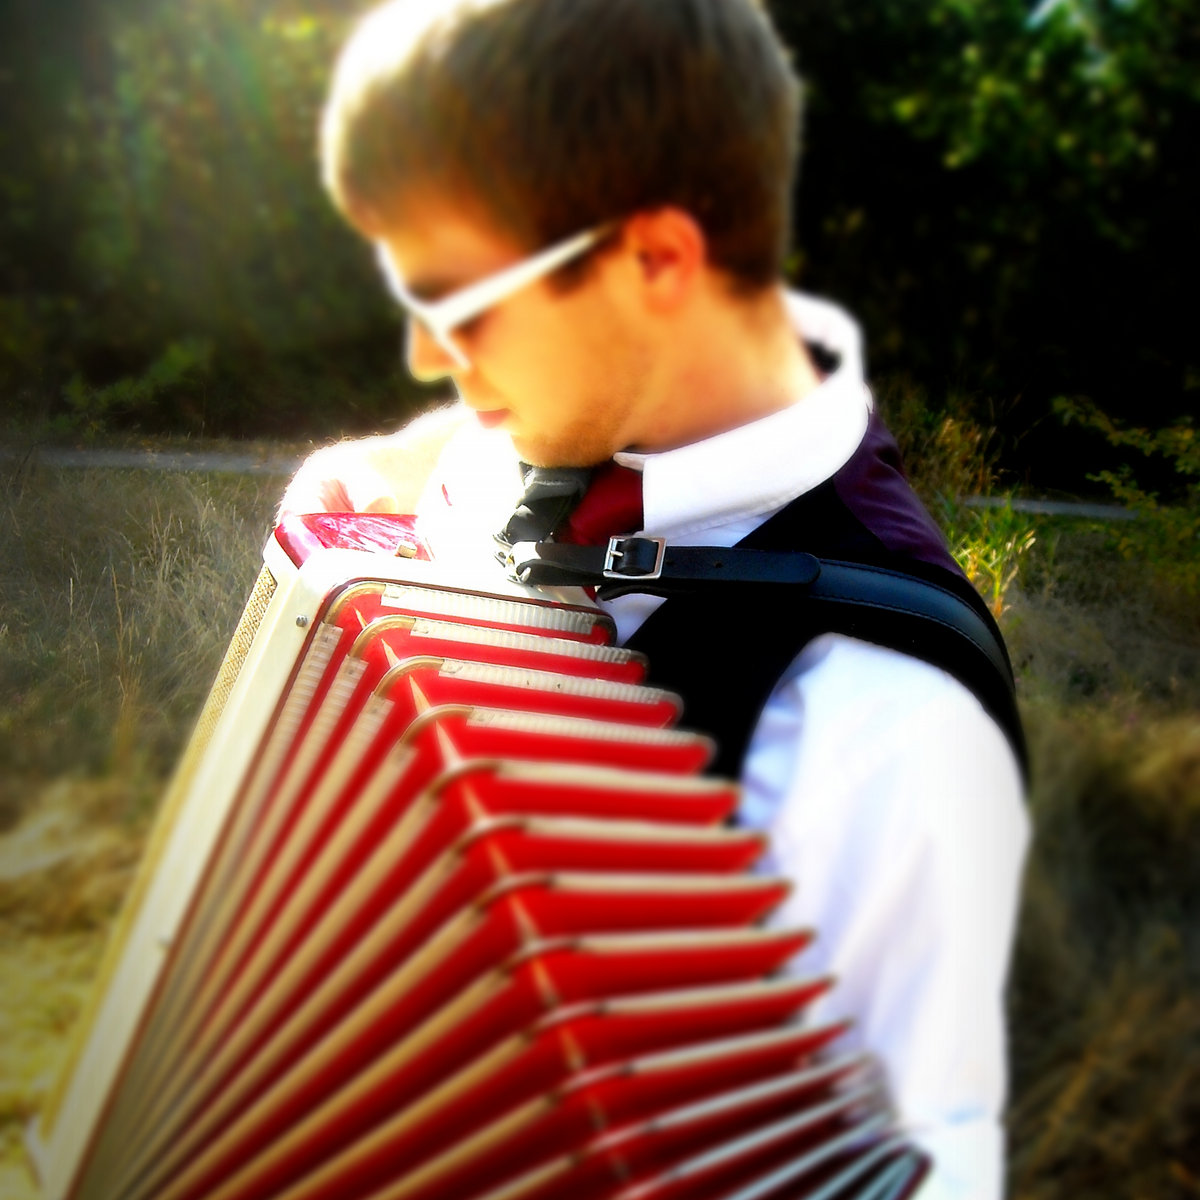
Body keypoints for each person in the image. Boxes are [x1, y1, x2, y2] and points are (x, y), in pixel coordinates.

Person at [278, 1, 1030, 1196]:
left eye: (459, 303)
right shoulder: (551, 424)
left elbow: (917, 1162)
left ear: (659, 264)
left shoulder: (893, 741)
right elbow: (430, 458)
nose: (427, 355)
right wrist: (351, 481)